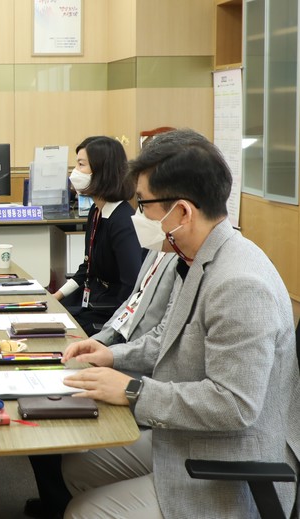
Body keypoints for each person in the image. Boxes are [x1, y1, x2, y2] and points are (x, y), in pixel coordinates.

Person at [59, 129, 300, 518]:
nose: (139, 216)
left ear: (182, 212)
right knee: (79, 466)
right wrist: (111, 355)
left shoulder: (240, 283)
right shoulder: (195, 258)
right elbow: (165, 338)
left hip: (232, 467)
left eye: (144, 204)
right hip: (190, 438)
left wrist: (133, 391)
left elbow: (233, 404)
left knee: (84, 511)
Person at [25, 250, 178, 518]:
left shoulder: (196, 266)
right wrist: (99, 342)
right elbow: (130, 306)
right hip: (122, 356)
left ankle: (58, 505)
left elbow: (162, 341)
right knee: (41, 399)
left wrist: (113, 357)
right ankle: (56, 502)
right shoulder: (159, 250)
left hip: (141, 375)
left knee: (51, 413)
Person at [52, 136, 143, 336]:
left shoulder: (123, 222)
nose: (75, 172)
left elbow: (131, 286)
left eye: (81, 164)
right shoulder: (96, 211)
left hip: (109, 312)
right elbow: (87, 268)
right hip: (92, 298)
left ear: (102, 171)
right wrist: (54, 297)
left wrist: (111, 333)